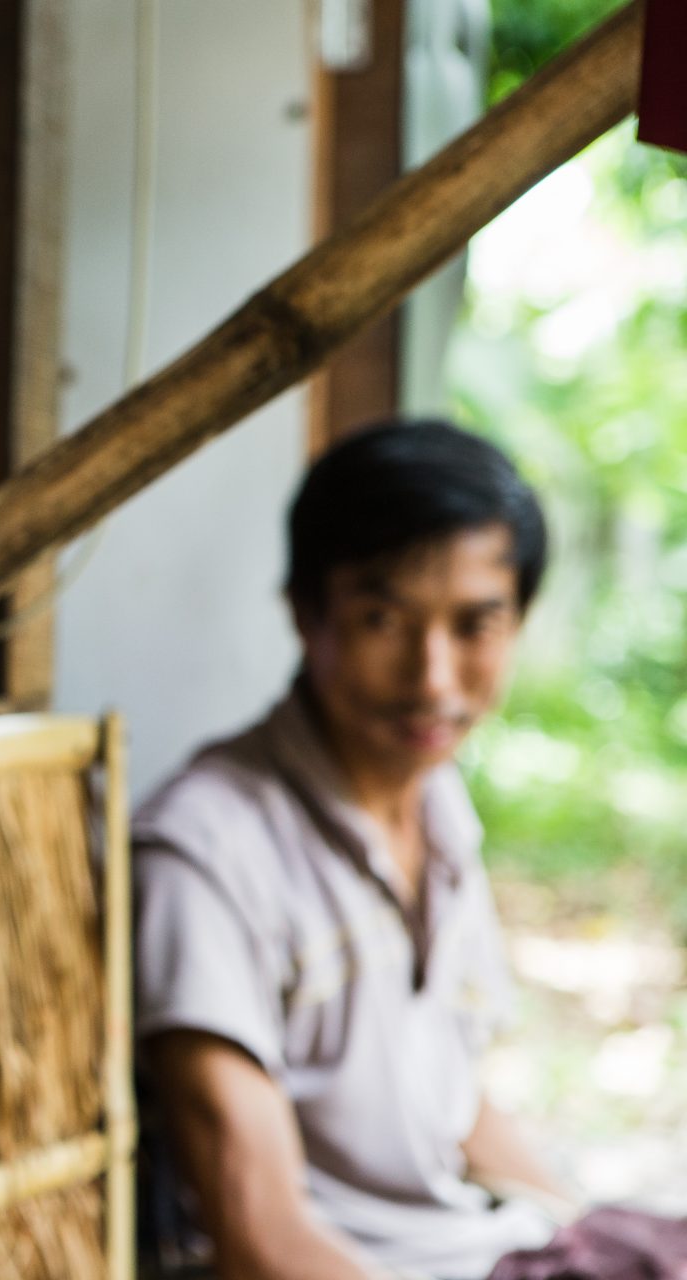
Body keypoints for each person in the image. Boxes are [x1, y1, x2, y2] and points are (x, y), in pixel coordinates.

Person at [134, 421, 570, 1280]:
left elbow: (452, 1102)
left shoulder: (437, 803)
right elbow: (260, 1236)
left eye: (475, 625)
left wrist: (581, 1234)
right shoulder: (206, 848)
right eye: (383, 619)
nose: (434, 678)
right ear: (306, 612)